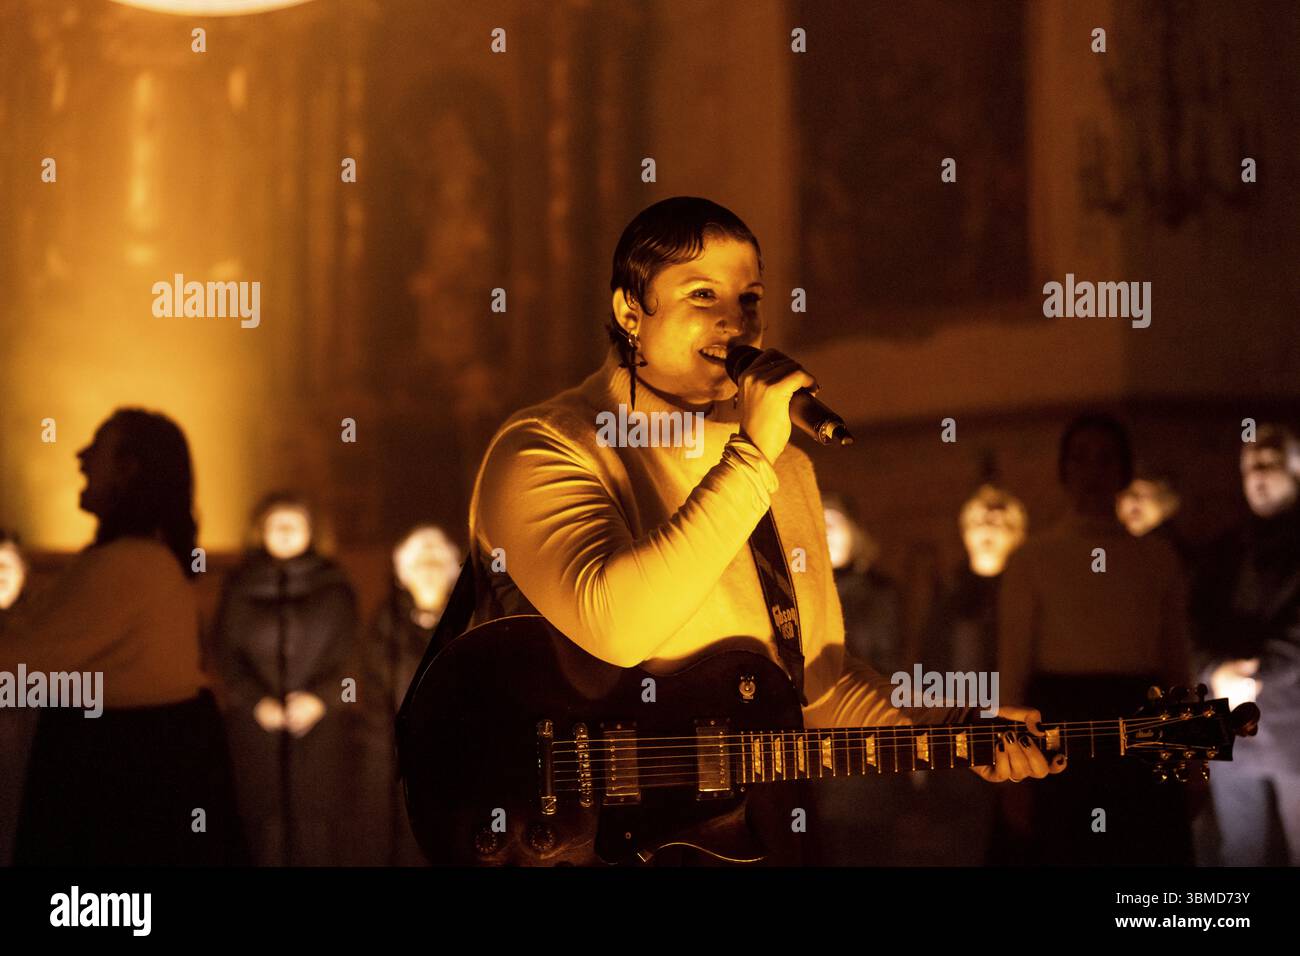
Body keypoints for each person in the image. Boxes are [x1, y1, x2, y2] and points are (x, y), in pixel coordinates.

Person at [467, 196, 1063, 865]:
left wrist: (958, 732)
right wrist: (750, 456)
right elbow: (614, 623)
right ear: (629, 311)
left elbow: (817, 689)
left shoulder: (784, 466)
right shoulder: (549, 448)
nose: (735, 320)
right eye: (702, 294)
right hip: (579, 842)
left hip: (749, 838)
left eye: (749, 298)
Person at [0, 409, 245, 865]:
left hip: (114, 795)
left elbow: (14, 664)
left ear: (129, 468)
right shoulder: (145, 563)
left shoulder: (125, 568)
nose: (81, 457)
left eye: (98, 446)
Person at [995, 413, 1192, 865]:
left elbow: (1177, 658)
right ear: (1065, 470)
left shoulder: (1157, 558)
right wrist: (1011, 768)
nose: (1092, 471)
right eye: (1081, 458)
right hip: (1058, 728)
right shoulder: (1033, 558)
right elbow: (1012, 664)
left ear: (1123, 471)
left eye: (1105, 459)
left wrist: (1193, 762)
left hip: (1142, 727)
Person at [212, 492, 358, 866]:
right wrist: (255, 701)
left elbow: (353, 655)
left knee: (317, 831)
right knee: (262, 832)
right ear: (260, 532)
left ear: (313, 532)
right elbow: (225, 655)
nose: (286, 531)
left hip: (321, 734)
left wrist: (320, 700)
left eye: (295, 524)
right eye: (276, 524)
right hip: (256, 733)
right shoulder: (238, 587)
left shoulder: (335, 588)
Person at [1191, 423, 1300, 865]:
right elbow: (1195, 620)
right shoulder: (1225, 550)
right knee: (1239, 852)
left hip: (1295, 723)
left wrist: (1258, 671)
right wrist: (1214, 669)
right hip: (1233, 728)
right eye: (1251, 465)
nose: (1258, 474)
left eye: (1270, 463)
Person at [358, 524, 460, 865]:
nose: (429, 572)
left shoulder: (470, 619)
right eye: (420, 564)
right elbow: (373, 693)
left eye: (437, 563)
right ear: (403, 574)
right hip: (398, 762)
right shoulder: (385, 624)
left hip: (459, 758)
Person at [823, 494, 903, 675]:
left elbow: (890, 659)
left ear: (853, 530)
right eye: (818, 521)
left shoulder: (880, 592)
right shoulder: (800, 594)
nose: (826, 530)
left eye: (834, 520)